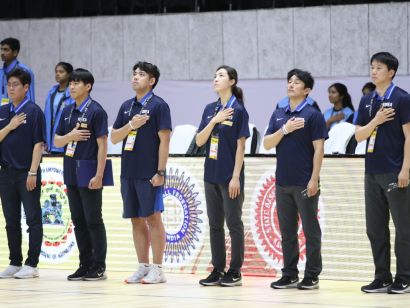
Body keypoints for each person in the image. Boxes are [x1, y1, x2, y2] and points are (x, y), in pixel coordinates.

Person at [264, 69, 327, 290]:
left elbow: (319, 149)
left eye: (297, 82)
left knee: (310, 230)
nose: (291, 85)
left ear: (307, 90)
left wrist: (314, 179)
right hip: (282, 182)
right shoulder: (279, 113)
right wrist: (285, 129)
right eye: (289, 81)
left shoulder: (313, 115)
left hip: (304, 182)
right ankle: (289, 273)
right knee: (287, 232)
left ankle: (312, 275)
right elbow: (267, 143)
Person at [111, 62, 171, 284]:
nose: (135, 77)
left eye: (141, 74)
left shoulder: (159, 106)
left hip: (149, 173)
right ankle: (142, 266)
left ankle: (158, 268)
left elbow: (165, 141)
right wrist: (131, 125)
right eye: (134, 73)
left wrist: (160, 171)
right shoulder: (126, 107)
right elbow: (115, 137)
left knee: (153, 218)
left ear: (152, 80)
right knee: (135, 219)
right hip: (128, 171)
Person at [355, 52, 410, 294]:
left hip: (395, 171)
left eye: (379, 67)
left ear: (391, 71)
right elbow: (358, 136)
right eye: (372, 67)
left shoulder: (402, 99)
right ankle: (382, 276)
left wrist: (406, 168)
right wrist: (375, 120)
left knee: (403, 227)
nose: (373, 71)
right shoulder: (367, 100)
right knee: (375, 228)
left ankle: (405, 277)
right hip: (372, 171)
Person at [196, 65, 249, 287]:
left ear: (232, 81)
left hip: (230, 176)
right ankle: (217, 268)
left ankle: (234, 270)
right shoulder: (210, 109)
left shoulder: (239, 111)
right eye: (215, 75)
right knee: (215, 224)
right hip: (211, 174)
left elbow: (240, 147)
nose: (215, 78)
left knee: (233, 223)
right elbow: (199, 141)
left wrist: (235, 177)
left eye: (221, 75)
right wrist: (214, 120)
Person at [54, 68, 108, 281]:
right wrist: (71, 135)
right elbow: (56, 141)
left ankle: (99, 265)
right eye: (71, 83)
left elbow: (103, 145)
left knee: (93, 219)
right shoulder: (67, 110)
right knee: (78, 220)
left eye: (77, 83)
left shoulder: (96, 111)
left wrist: (99, 174)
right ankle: (84, 264)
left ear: (88, 86)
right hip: (70, 172)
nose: (72, 86)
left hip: (89, 172)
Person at [0, 68, 45, 279]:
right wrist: (10, 126)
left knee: (33, 219)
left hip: (27, 173)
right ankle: (15, 261)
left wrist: (33, 172)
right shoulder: (3, 111)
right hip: (5, 174)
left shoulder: (35, 111)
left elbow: (38, 144)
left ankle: (32, 263)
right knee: (10, 220)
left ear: (26, 87)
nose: (11, 88)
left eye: (15, 84)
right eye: (9, 84)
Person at [44, 62, 74, 154]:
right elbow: (46, 116)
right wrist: (45, 139)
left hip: (65, 143)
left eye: (61, 72)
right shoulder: (51, 92)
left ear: (69, 74)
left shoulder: (72, 94)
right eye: (56, 71)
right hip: (50, 143)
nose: (57, 74)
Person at [0, 38, 35, 104]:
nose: (2, 53)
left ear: (15, 52)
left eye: (6, 50)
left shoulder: (25, 71)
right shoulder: (1, 73)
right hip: (3, 112)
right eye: (1, 49)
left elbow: (30, 100)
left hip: (20, 113)